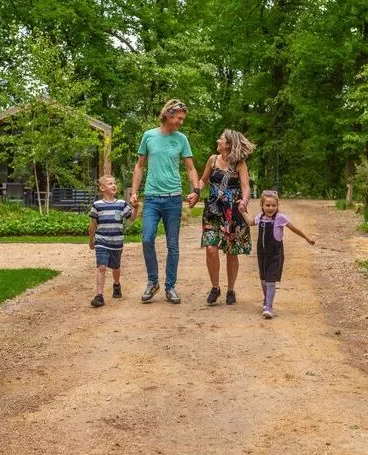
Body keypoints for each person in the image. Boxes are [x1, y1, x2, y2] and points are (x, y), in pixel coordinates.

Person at [130, 99, 201, 304]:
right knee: (146, 238)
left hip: (173, 199)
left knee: (173, 245)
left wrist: (195, 190)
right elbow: (139, 166)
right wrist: (134, 192)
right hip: (152, 198)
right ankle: (153, 282)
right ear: (168, 115)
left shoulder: (181, 139)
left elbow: (190, 167)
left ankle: (170, 287)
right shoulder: (149, 136)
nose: (181, 122)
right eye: (179, 118)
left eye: (182, 119)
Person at [197, 130, 255, 306]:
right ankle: (215, 288)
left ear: (228, 144)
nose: (218, 140)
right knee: (210, 248)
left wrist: (244, 201)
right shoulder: (212, 160)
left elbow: (245, 187)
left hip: (232, 212)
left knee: (231, 252)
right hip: (213, 210)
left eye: (221, 139)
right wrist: (196, 191)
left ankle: (231, 289)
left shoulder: (240, 163)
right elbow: (203, 180)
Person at [249, 190, 315, 319]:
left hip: (275, 254)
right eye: (267, 205)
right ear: (262, 205)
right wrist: (242, 211)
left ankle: (269, 307)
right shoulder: (260, 217)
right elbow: (250, 222)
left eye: (273, 205)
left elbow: (295, 229)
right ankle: (266, 300)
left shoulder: (280, 218)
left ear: (277, 205)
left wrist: (307, 238)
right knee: (263, 279)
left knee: (270, 281)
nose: (270, 208)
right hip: (262, 254)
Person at [88, 175, 137, 307]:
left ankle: (116, 284)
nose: (114, 185)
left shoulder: (121, 204)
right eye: (110, 183)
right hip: (101, 241)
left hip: (117, 242)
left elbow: (131, 218)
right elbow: (93, 224)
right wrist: (91, 240)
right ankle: (99, 296)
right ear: (102, 188)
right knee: (102, 267)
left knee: (116, 267)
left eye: (114, 183)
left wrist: (136, 208)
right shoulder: (97, 205)